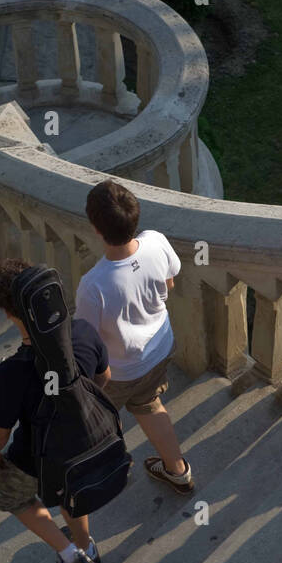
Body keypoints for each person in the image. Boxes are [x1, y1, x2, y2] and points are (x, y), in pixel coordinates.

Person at [0, 258, 109, 563]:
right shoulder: (83, 332)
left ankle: (70, 555)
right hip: (86, 441)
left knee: (6, 492)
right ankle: (86, 544)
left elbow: (0, 431)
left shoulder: (12, 372)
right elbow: (104, 377)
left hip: (38, 457)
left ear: (9, 313)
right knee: (70, 487)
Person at [78, 179, 193, 494]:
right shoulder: (155, 241)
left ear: (96, 229)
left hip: (119, 371)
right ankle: (177, 470)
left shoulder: (93, 284)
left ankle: (103, 472)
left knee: (96, 420)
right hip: (158, 349)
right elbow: (169, 285)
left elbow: (87, 342)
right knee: (150, 405)